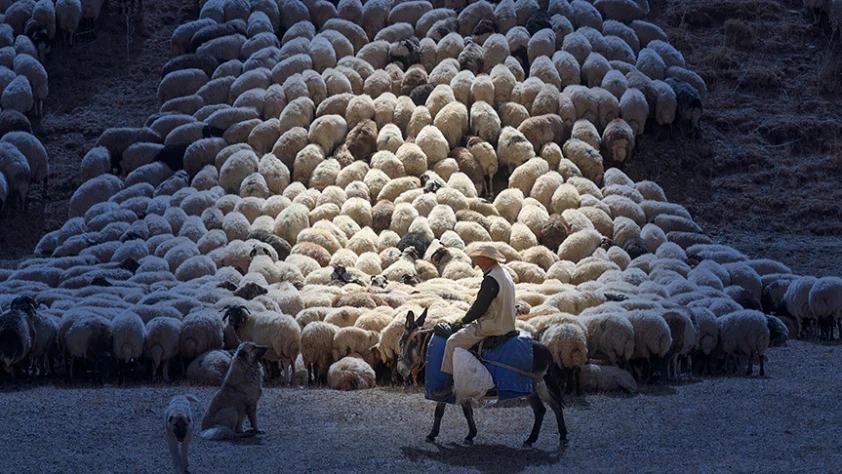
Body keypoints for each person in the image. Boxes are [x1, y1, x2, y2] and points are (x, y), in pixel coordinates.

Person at [429, 243, 516, 401]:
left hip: (492, 326)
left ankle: (448, 387)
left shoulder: (491, 279)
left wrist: (461, 322)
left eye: (479, 258)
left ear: (487, 259)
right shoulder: (504, 274)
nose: (476, 262)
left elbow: (479, 308)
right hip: (507, 323)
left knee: (452, 342)